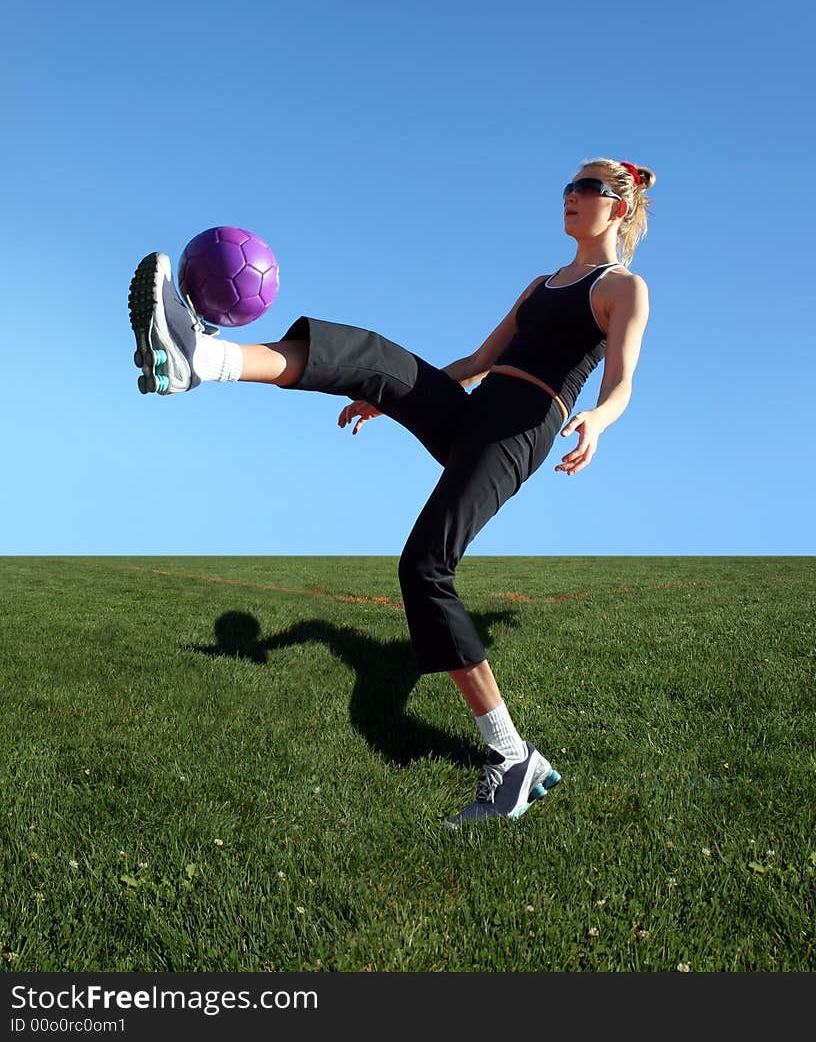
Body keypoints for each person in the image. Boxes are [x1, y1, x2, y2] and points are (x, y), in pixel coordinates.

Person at [127, 157, 653, 828]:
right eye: (568, 187)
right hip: (478, 411)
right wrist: (398, 398)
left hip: (524, 427)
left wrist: (599, 423)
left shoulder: (623, 288)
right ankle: (202, 361)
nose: (570, 197)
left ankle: (513, 757)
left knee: (424, 568)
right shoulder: (542, 284)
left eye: (586, 189)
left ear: (619, 207)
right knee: (374, 359)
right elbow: (478, 362)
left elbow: (621, 379)